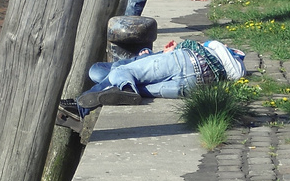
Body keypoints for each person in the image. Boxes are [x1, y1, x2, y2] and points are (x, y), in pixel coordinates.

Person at [56, 38, 246, 126]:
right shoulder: (227, 67)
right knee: (131, 83)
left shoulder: (214, 47)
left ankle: (80, 107)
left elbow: (219, 52)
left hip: (183, 61)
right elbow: (236, 74)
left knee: (122, 71)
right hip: (193, 85)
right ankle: (125, 89)